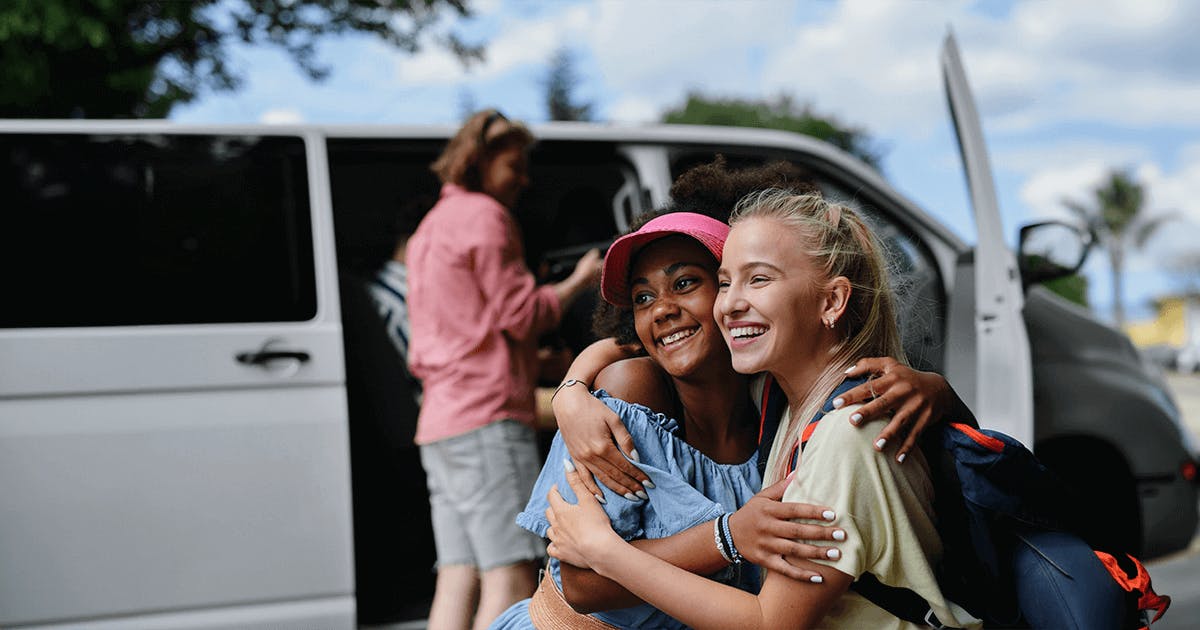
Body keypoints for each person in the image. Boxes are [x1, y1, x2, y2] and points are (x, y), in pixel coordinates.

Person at [542, 189, 982, 629]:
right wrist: (571, 389)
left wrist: (605, 550)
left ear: (831, 302)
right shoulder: (781, 405)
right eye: (729, 282)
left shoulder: (844, 428)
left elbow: (772, 623)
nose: (730, 303)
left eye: (759, 279)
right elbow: (642, 340)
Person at [406, 109, 602, 630]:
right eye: (514, 165)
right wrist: (581, 280)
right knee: (511, 574)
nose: (523, 178)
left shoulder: (431, 227)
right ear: (482, 160)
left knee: (458, 572)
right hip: (486, 418)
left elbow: (466, 327)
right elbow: (521, 314)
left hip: (440, 421)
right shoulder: (486, 218)